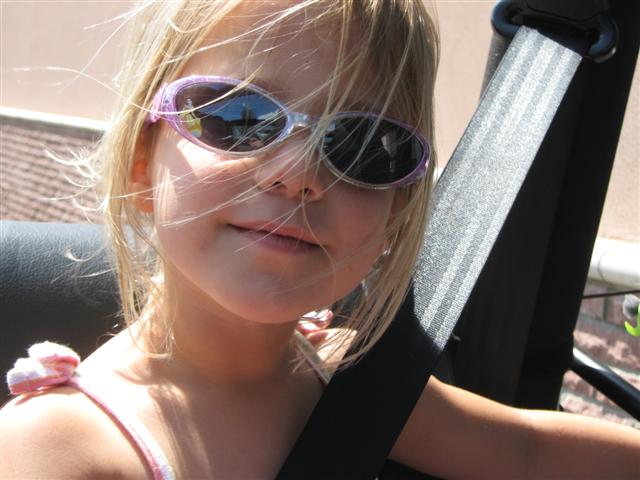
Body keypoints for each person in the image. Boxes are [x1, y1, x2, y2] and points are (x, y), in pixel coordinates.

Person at [1, 1, 638, 478]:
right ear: (142, 161)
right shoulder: (58, 447)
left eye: (363, 146)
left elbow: (525, 453)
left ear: (396, 211)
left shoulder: (346, 374)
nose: (299, 173)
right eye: (237, 116)